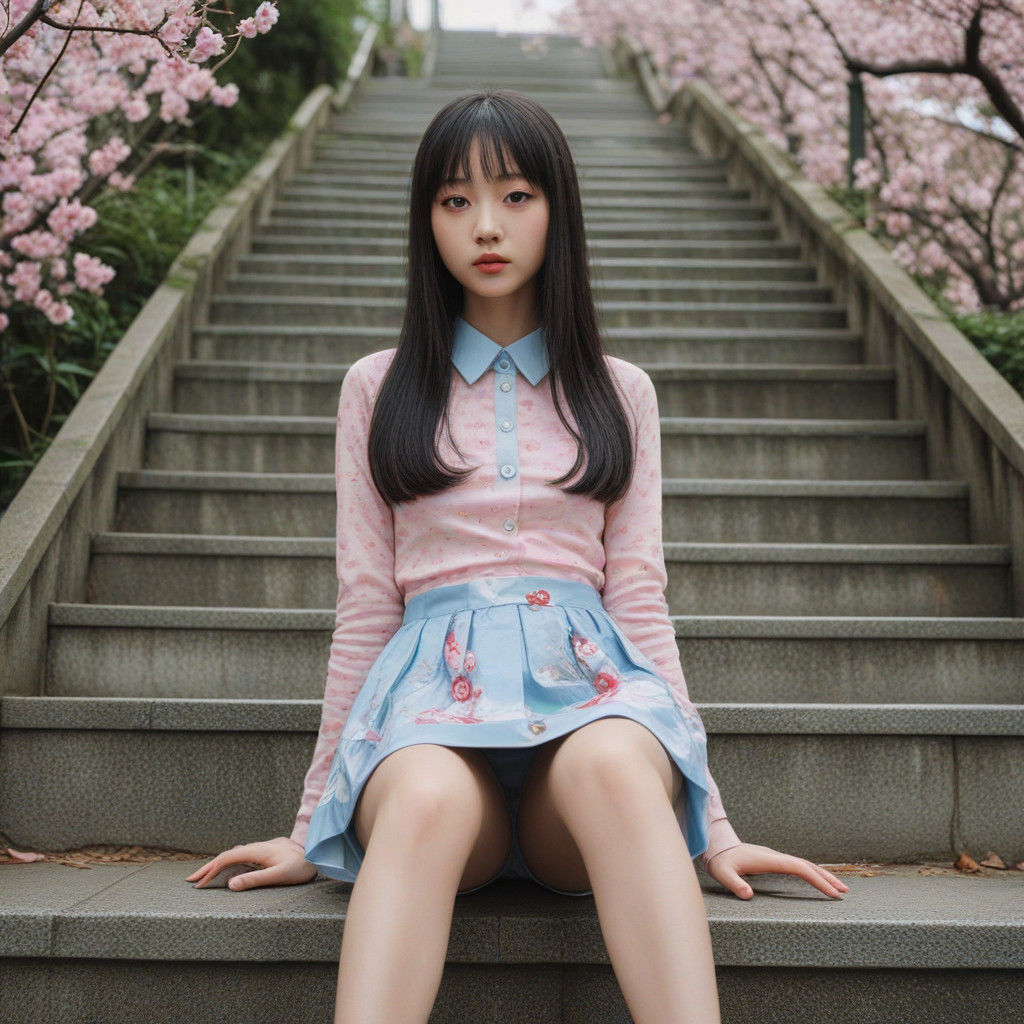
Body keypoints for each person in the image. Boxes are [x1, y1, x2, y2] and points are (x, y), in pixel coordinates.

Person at [186, 87, 850, 1024]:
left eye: (516, 197)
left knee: (617, 765)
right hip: (428, 717)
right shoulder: (378, 388)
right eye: (455, 201)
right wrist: (310, 827)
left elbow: (642, 600)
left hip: (584, 723)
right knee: (421, 796)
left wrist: (715, 830)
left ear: (558, 211)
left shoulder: (620, 392)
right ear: (427, 222)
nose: (486, 226)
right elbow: (366, 606)